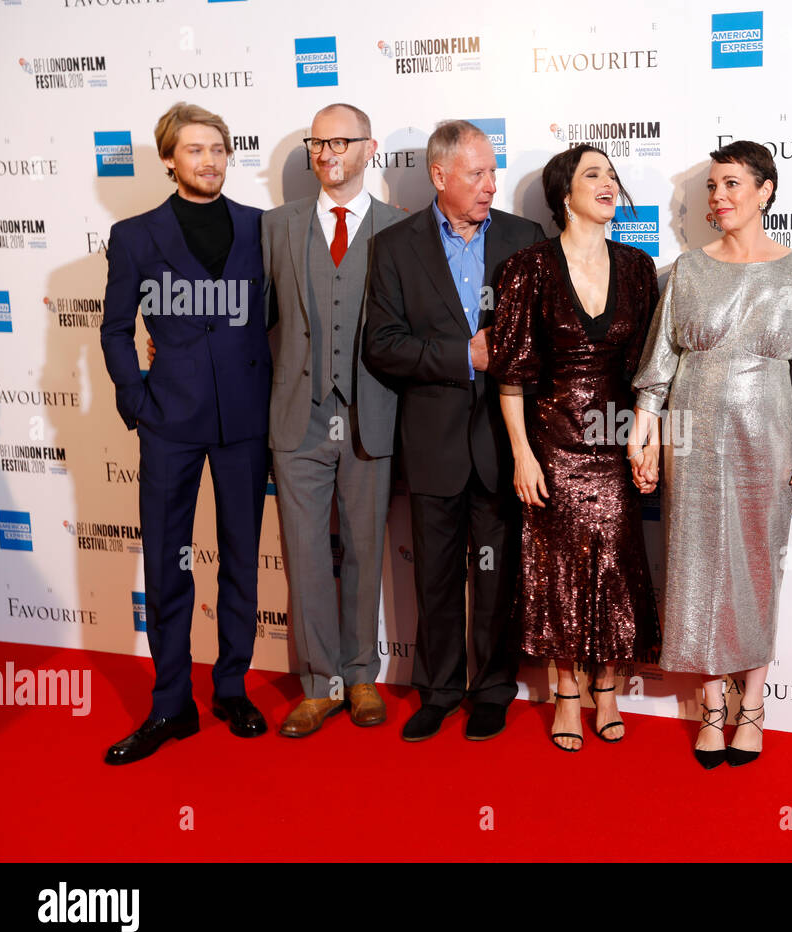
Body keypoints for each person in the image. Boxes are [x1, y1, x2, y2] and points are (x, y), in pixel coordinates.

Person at [629, 140, 792, 769]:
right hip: (691, 440)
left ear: (766, 190)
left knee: (754, 570)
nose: (718, 198)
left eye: (732, 185)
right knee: (693, 570)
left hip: (765, 442)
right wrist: (643, 432)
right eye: (711, 188)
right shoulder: (688, 270)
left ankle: (754, 709)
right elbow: (660, 365)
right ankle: (710, 710)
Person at [363, 121, 544, 743]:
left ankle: (493, 689)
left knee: (496, 576)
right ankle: (438, 691)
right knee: (435, 575)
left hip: (504, 442)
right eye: (477, 174)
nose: (491, 185)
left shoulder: (525, 238)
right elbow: (381, 345)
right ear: (439, 176)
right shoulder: (395, 246)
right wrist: (463, 356)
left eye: (494, 172)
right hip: (433, 443)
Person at [100, 101, 270, 764]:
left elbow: (276, 319)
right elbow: (115, 328)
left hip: (245, 420)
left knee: (240, 558)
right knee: (168, 562)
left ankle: (231, 687)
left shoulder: (262, 228)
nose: (210, 161)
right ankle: (171, 703)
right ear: (170, 159)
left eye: (219, 150)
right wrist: (137, 400)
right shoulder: (135, 235)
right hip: (169, 420)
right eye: (195, 150)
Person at [488, 144, 662, 752]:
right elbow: (510, 374)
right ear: (565, 194)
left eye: (613, 174)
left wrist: (650, 440)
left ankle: (608, 693)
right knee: (555, 573)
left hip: (616, 443)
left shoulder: (639, 269)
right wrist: (522, 454)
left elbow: (653, 373)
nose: (609, 182)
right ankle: (566, 693)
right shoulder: (528, 268)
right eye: (594, 174)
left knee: (616, 570)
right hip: (552, 443)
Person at [262, 104, 408, 737]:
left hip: (370, 419)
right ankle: (319, 684)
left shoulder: (402, 230)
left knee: (366, 549)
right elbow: (247, 319)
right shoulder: (276, 228)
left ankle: (361, 677)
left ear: (368, 148)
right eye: (317, 143)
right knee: (306, 557)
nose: (326, 153)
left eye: (340, 142)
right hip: (298, 420)